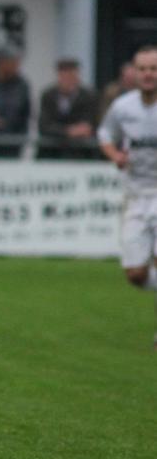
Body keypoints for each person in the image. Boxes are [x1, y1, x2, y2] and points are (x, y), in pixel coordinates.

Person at [98, 45, 157, 347]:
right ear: (134, 72)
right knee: (136, 274)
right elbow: (105, 135)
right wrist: (115, 155)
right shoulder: (123, 106)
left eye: (153, 69)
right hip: (135, 195)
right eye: (143, 69)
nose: (148, 75)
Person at [37, 58, 99, 159]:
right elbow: (44, 126)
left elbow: (89, 125)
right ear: (59, 77)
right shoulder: (48, 96)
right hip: (51, 153)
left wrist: (81, 130)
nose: (69, 81)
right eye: (65, 77)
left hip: (80, 153)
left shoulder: (89, 96)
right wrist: (68, 131)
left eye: (72, 76)